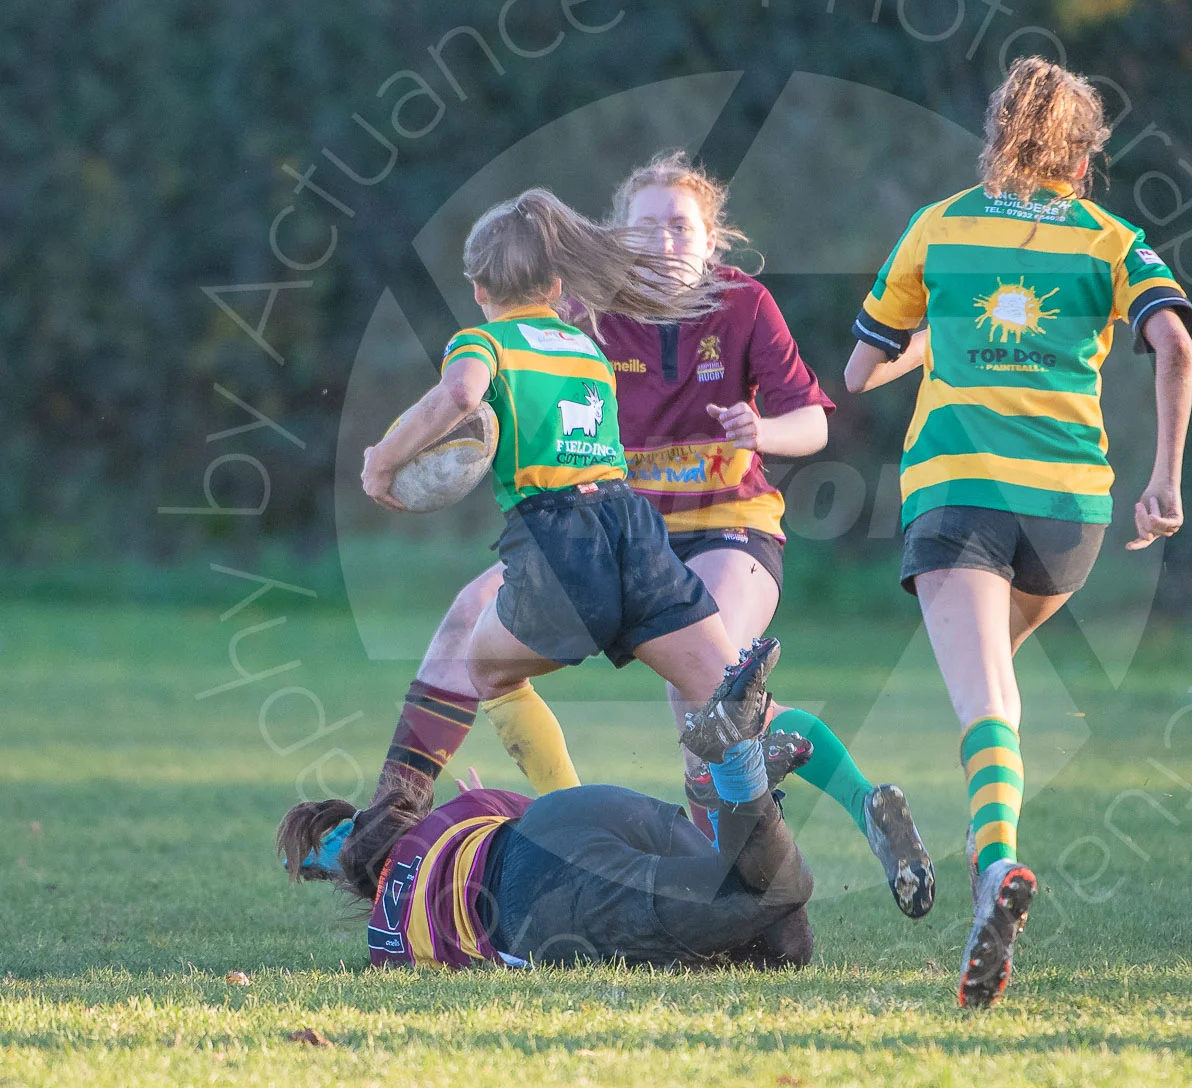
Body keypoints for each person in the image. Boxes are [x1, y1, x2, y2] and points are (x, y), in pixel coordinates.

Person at [351, 158, 935, 921]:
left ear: (711, 238)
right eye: (646, 224)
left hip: (731, 527)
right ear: (617, 239)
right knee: (470, 615)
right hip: (620, 534)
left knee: (708, 696)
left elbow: (815, 424)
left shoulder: (745, 305)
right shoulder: (586, 316)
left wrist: (764, 430)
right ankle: (389, 816)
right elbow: (516, 368)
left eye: (680, 223)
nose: (663, 237)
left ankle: (828, 819)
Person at [844, 56, 1192, 1006]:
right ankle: (984, 855)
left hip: (959, 488)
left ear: (997, 136)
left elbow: (857, 372)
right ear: (1084, 161)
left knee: (986, 704)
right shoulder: (1112, 237)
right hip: (1069, 512)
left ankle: (995, 864)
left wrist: (931, 340)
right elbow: (1174, 339)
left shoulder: (942, 223)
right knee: (996, 685)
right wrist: (1163, 478)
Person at [360, 188, 783, 806]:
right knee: (718, 692)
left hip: (560, 543)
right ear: (558, 289)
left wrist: (384, 461)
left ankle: (571, 814)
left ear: (479, 289)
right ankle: (778, 778)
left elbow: (458, 396)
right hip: (633, 530)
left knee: (485, 668)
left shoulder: (486, 342)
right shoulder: (586, 349)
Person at [278, 635, 817, 970]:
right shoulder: (457, 817)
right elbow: (549, 808)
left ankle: (736, 777)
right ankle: (735, 784)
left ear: (363, 882)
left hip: (533, 900)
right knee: (785, 939)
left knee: (780, 897)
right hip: (565, 816)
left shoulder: (387, 940)